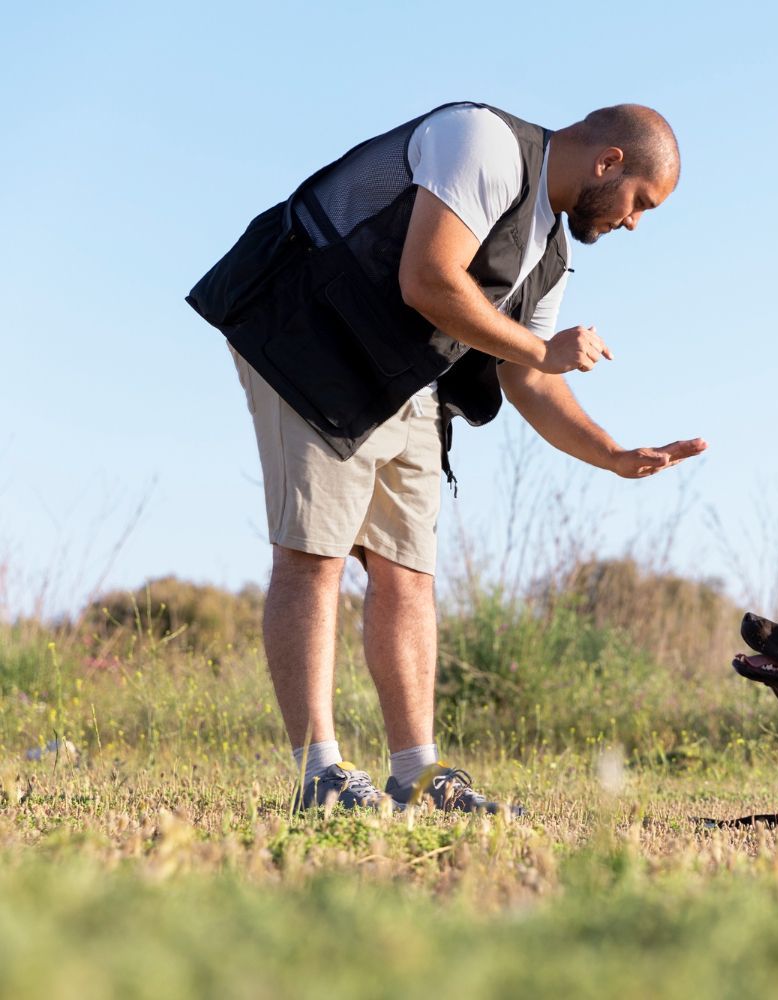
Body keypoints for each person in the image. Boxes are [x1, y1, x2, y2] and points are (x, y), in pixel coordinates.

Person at [187, 101, 705, 812]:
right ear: (609, 162)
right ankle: (321, 775)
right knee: (315, 554)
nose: (635, 222)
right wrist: (537, 348)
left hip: (403, 373)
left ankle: (418, 778)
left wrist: (612, 455)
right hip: (308, 337)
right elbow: (428, 278)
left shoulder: (551, 255)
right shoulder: (484, 143)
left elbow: (528, 376)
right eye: (640, 202)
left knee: (408, 572)